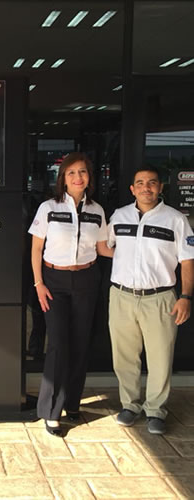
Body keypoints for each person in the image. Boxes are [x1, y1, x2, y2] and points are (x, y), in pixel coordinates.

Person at [28, 152, 112, 436]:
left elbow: (103, 249)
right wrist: (39, 284)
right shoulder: (48, 207)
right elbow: (36, 249)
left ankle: (72, 404)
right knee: (59, 345)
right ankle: (51, 410)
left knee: (80, 345)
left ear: (90, 177)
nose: (78, 177)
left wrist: (136, 250)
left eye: (83, 172)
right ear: (63, 177)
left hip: (87, 278)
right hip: (54, 281)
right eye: (72, 172)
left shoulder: (97, 211)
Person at [107, 166, 194, 435]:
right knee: (124, 357)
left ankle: (156, 409)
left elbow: (187, 261)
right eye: (140, 183)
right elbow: (106, 246)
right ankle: (130, 405)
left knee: (160, 357)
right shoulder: (119, 216)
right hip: (121, 296)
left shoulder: (176, 219)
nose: (146, 187)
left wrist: (185, 296)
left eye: (152, 183)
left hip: (160, 299)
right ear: (132, 189)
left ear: (160, 187)